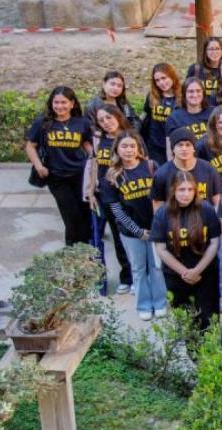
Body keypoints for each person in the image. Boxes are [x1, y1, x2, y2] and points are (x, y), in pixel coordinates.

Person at [101, 130, 166, 320]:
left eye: (132, 146)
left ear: (138, 148)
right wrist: (138, 232)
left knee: (156, 266)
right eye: (124, 146)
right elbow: (116, 210)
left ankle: (160, 302)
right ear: (117, 149)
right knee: (138, 269)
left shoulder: (152, 166)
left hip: (155, 227)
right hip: (131, 232)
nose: (128, 150)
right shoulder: (113, 176)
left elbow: (163, 198)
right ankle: (144, 305)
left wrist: (157, 227)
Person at [152, 171, 222, 328]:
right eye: (181, 190)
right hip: (176, 276)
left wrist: (197, 270)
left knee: (209, 320)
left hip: (206, 275)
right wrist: (185, 272)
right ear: (173, 191)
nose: (186, 194)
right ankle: (192, 353)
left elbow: (214, 242)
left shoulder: (206, 209)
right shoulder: (162, 214)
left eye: (190, 189)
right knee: (186, 323)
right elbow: (161, 249)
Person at [26, 86, 95, 246]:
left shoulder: (82, 122)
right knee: (71, 218)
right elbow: (31, 146)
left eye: (64, 102)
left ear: (72, 103)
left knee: (85, 216)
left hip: (81, 176)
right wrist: (38, 166)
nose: (59, 106)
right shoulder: (43, 123)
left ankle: (86, 253)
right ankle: (72, 252)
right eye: (56, 102)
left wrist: (96, 163)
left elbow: (86, 143)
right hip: (57, 177)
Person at [87, 104, 134, 295]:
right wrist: (91, 191)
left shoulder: (130, 137)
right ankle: (126, 276)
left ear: (117, 116)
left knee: (129, 236)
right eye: (101, 120)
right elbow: (95, 166)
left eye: (109, 117)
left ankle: (136, 277)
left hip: (127, 195)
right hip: (104, 196)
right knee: (116, 237)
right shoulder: (99, 140)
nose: (106, 123)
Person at [151, 128, 222, 211]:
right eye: (180, 145)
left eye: (188, 144)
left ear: (194, 148)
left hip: (205, 220)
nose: (184, 148)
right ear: (173, 149)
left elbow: (218, 200)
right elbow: (157, 207)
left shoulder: (208, 169)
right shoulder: (162, 174)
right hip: (175, 221)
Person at [141, 63, 181, 163]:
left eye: (164, 78)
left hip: (176, 145)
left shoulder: (183, 97)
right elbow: (145, 116)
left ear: (172, 76)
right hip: (154, 146)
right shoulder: (152, 96)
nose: (161, 83)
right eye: (157, 80)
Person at [165, 78, 212, 153]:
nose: (195, 95)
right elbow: (170, 148)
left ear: (203, 93)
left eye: (198, 91)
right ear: (184, 94)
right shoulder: (174, 118)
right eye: (191, 91)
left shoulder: (213, 113)